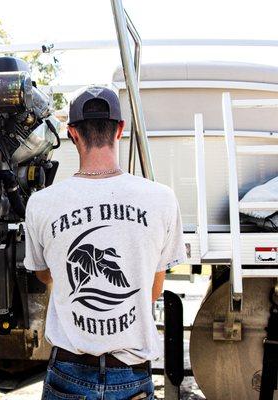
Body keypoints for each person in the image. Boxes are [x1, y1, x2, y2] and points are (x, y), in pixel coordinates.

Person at [23, 86, 186, 400]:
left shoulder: (42, 204)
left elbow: (45, 276)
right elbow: (152, 290)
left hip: (68, 374)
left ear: (72, 133)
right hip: (132, 374)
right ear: (120, 130)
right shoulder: (161, 199)